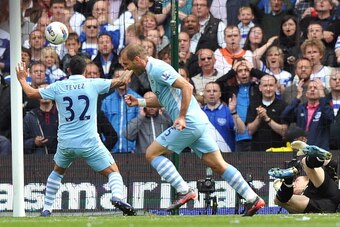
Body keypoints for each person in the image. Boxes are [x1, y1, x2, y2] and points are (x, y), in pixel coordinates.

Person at [122, 44, 265, 216]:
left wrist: (181, 117)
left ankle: (184, 190)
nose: (126, 68)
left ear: (137, 59)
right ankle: (253, 199)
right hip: (197, 122)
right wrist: (140, 102)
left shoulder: (157, 68)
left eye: (127, 64)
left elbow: (187, 87)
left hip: (188, 121)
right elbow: (166, 101)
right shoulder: (152, 71)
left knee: (152, 153)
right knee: (219, 165)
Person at [16, 55, 135, 216]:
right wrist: (131, 67)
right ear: (85, 71)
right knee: (113, 172)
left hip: (66, 143)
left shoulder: (58, 86)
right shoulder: (93, 83)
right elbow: (120, 81)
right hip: (89, 142)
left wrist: (22, 78)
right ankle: (117, 196)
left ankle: (46, 208)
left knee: (57, 171)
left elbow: (30, 93)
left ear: (68, 70)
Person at [268, 141, 339, 213]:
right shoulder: (302, 196)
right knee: (278, 201)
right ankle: (288, 180)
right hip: (321, 207)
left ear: (306, 178)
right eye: (293, 183)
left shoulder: (316, 179)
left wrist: (306, 148)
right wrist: (281, 188)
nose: (294, 185)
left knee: (304, 161)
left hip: (332, 195)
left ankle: (315, 155)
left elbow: (333, 164)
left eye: (296, 181)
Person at [23, 83, 58, 155]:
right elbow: (21, 143)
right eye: (42, 91)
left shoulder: (62, 114)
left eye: (48, 91)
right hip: (38, 162)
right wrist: (34, 142)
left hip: (62, 159)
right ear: (37, 95)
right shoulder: (29, 117)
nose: (45, 94)